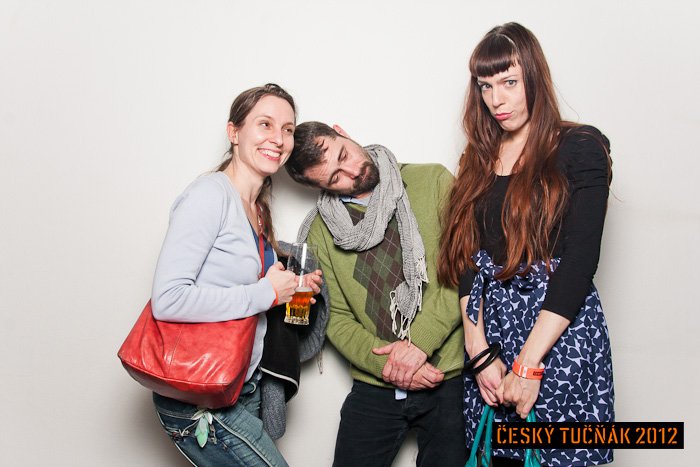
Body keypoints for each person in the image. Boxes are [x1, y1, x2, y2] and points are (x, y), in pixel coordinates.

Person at [438, 23, 614, 466]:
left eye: (509, 82)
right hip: (493, 340)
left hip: (557, 336)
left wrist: (528, 364)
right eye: (486, 86)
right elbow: (469, 261)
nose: (496, 99)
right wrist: (479, 354)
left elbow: (580, 261)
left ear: (534, 77)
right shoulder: (478, 158)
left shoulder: (579, 147)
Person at [149, 83, 321, 467]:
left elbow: (246, 290)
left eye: (288, 129)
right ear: (234, 132)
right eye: (265, 124)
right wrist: (266, 292)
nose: (278, 139)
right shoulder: (209, 195)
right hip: (199, 394)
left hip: (242, 384)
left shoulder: (257, 209)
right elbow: (168, 300)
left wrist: (290, 289)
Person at [286, 122, 467, 467]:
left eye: (344, 155)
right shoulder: (318, 232)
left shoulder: (432, 181)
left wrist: (419, 345)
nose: (352, 172)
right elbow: (336, 318)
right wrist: (390, 365)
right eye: (334, 178)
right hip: (375, 382)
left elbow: (464, 270)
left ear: (342, 131)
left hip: (448, 376)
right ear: (318, 187)